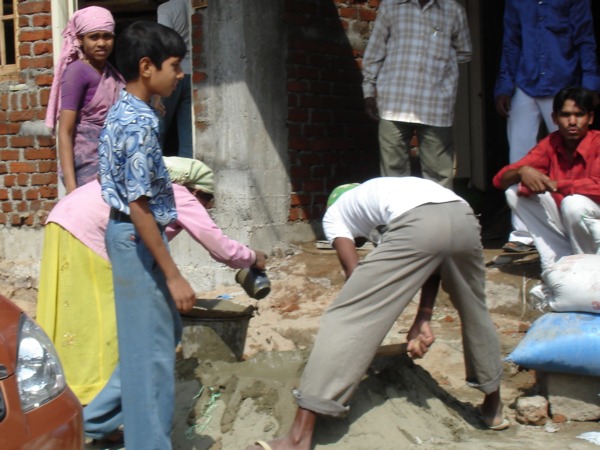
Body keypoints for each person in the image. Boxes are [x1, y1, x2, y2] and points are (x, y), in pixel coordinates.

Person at [247, 177, 507, 450]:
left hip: (419, 221)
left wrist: (367, 329)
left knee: (348, 315)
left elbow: (355, 277)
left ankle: (297, 439)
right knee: (474, 309)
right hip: (462, 216)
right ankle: (493, 406)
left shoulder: (335, 214)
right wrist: (423, 317)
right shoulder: (386, 195)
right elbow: (432, 258)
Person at [35, 157, 266, 407]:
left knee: (72, 316)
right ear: (196, 190)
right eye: (208, 200)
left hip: (62, 219)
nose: (207, 208)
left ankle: (62, 392)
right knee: (103, 322)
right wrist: (252, 257)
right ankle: (94, 404)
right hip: (86, 233)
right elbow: (218, 245)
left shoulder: (144, 181)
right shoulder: (178, 192)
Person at [85, 21, 205, 449]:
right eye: (175, 66)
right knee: (152, 358)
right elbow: (139, 207)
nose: (180, 75)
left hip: (132, 240)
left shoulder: (132, 111)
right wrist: (173, 274)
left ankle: (89, 425)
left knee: (157, 338)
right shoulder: (138, 124)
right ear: (146, 66)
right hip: (136, 239)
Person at [494, 0, 600, 253]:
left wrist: (589, 87)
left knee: (569, 157)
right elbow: (511, 42)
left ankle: (570, 225)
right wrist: (504, 86)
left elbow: (586, 40)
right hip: (525, 80)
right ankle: (521, 233)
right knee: (520, 157)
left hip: (563, 81)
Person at [361, 0, 472, 190]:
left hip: (435, 103)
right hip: (394, 100)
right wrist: (369, 90)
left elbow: (464, 51)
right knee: (392, 177)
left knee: (439, 177)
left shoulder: (453, 10)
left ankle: (438, 219)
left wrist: (437, 65)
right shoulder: (391, 5)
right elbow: (375, 49)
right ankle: (399, 219)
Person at [493, 86, 600, 272]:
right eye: (565, 115)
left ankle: (587, 269)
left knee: (574, 204)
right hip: (571, 220)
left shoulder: (598, 143)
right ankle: (557, 263)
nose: (572, 121)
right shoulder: (552, 143)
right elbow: (500, 180)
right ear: (554, 118)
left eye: (579, 115)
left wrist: (557, 185)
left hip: (593, 224)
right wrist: (522, 171)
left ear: (590, 118)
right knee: (514, 192)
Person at [45, 6, 125, 193]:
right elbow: (65, 131)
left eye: (107, 36)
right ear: (80, 40)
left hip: (113, 165)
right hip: (86, 168)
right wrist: (71, 188)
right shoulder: (77, 72)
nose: (101, 43)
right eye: (94, 37)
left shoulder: (111, 72)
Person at [157, 0, 194, 158]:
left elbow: (164, 45)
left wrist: (157, 93)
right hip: (192, 72)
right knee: (188, 135)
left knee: (158, 130)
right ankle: (188, 177)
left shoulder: (166, 8)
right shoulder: (193, 4)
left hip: (172, 73)